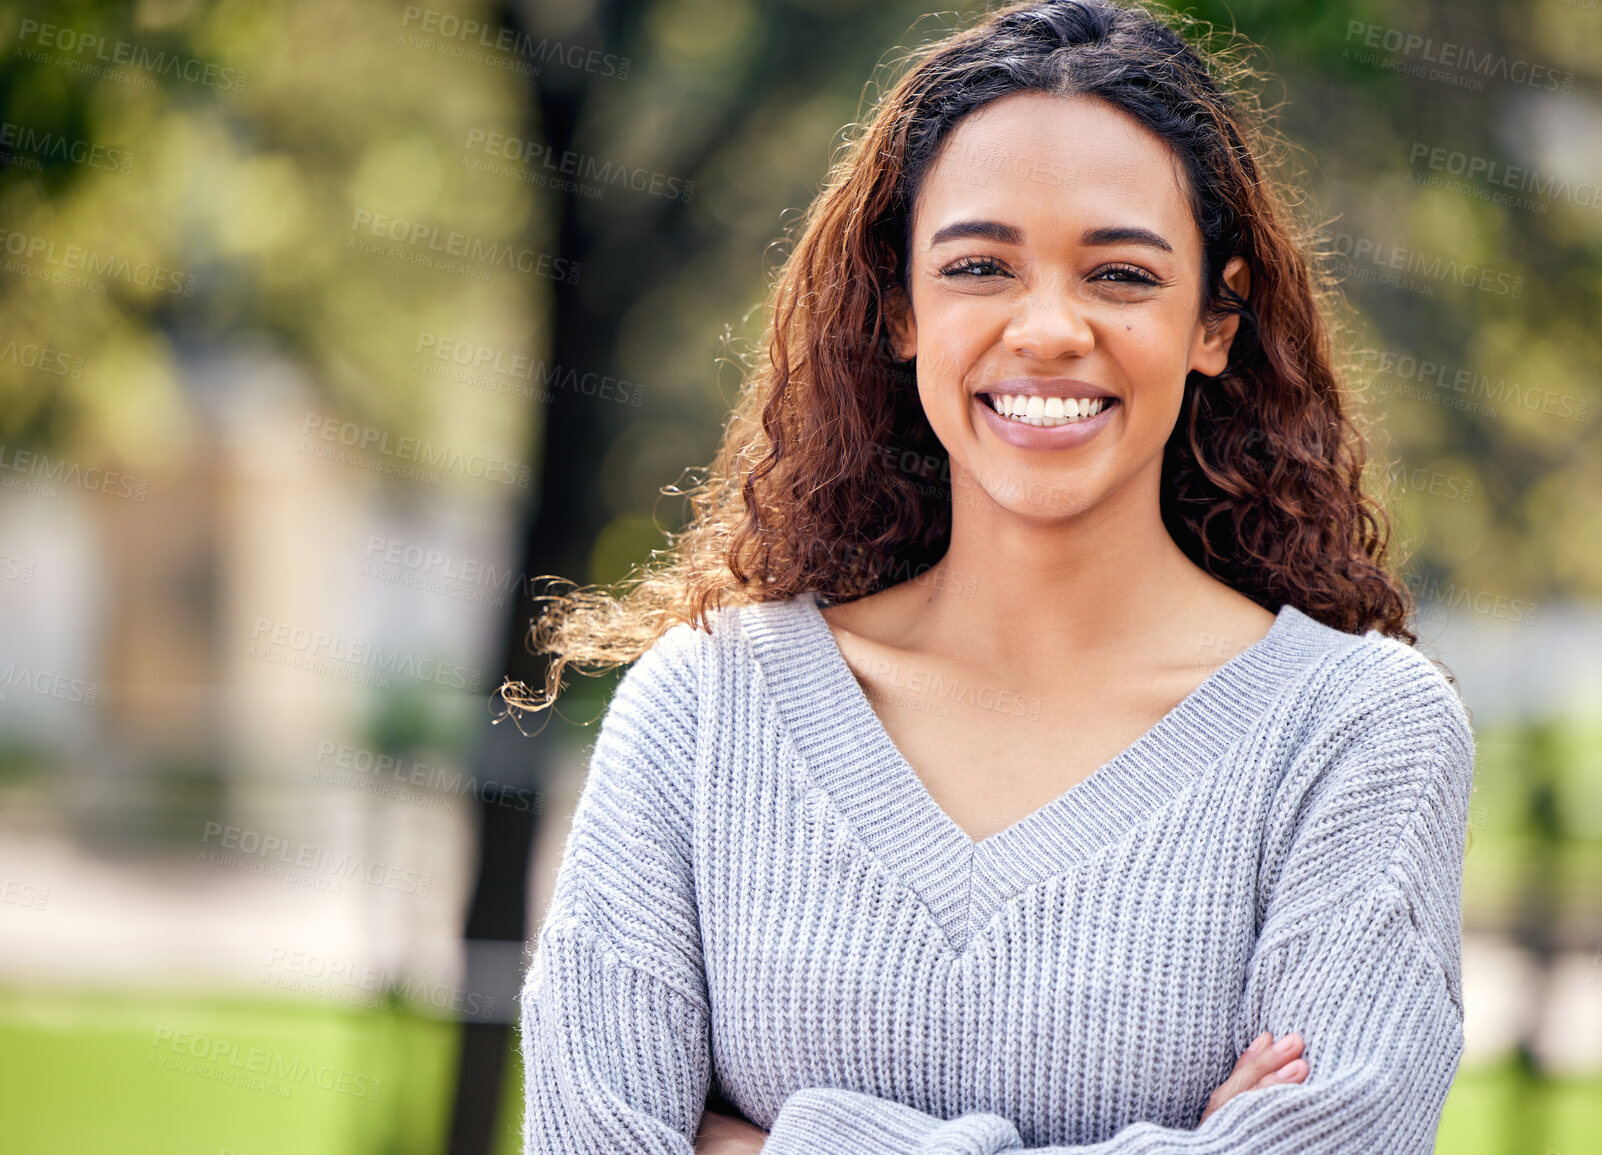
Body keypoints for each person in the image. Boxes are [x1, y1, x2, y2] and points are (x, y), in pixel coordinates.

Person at [512, 1, 1475, 1151]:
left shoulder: (1360, 735)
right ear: (901, 306)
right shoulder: (706, 709)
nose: (1050, 328)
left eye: (1120, 274)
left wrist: (779, 1144)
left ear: (1216, 320)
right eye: (980, 265)